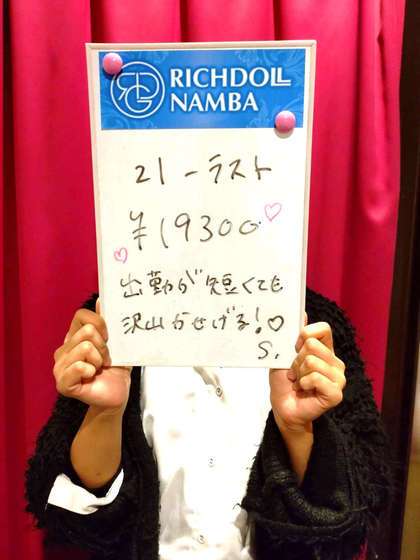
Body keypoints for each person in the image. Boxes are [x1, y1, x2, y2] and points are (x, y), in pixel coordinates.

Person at [25, 288, 393, 560]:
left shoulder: (309, 323)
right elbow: (75, 514)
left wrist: (297, 430)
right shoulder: (116, 314)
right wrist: (105, 414)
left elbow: (350, 512)